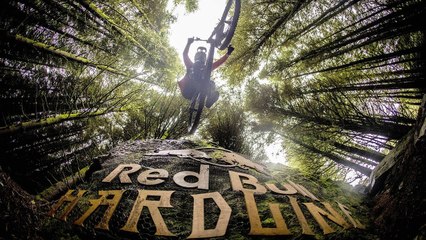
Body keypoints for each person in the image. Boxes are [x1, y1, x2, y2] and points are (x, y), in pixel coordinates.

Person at [178, 37, 234, 108]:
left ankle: (209, 99)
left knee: (211, 83)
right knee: (198, 66)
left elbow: (218, 63)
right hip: (187, 89)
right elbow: (185, 54)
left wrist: (228, 53)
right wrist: (189, 43)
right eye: (199, 56)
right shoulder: (190, 65)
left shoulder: (206, 68)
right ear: (196, 58)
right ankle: (202, 95)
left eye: (202, 57)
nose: (201, 59)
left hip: (198, 89)